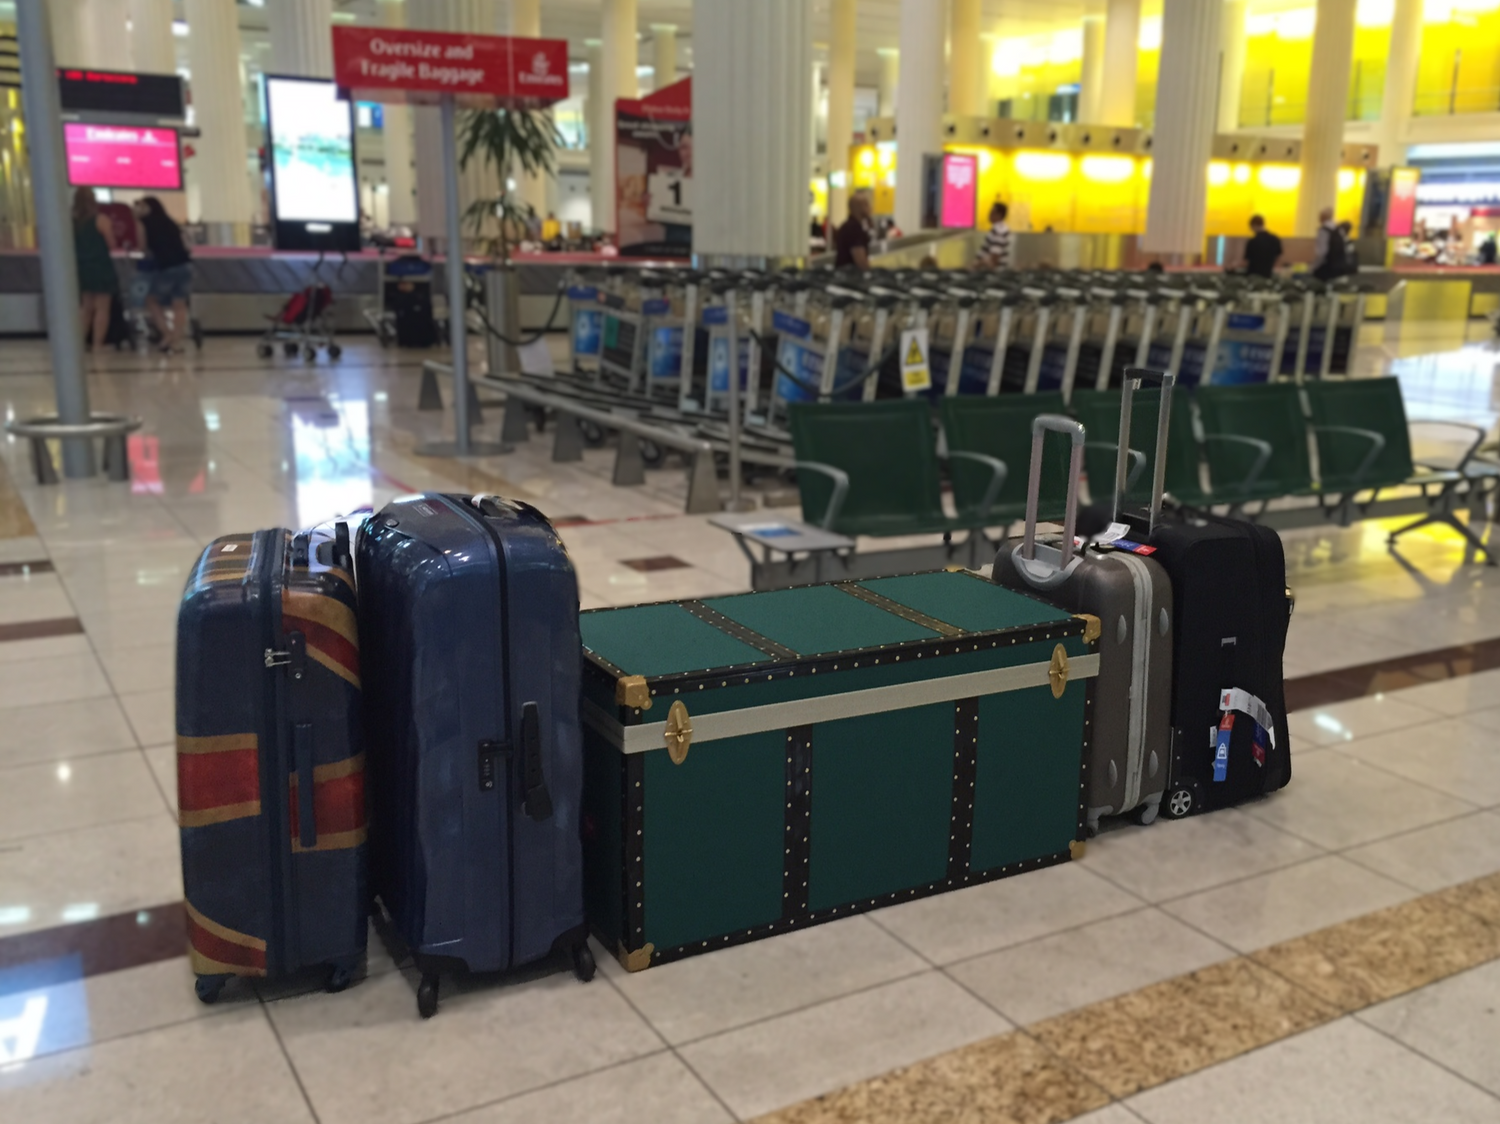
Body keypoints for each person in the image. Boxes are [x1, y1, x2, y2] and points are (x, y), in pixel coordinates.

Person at [133, 196, 193, 353]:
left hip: (167, 266)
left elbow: (142, 247)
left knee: (151, 300)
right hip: (185, 264)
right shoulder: (170, 222)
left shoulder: (143, 223)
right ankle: (177, 341)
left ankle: (167, 334)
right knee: (179, 304)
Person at [72, 187, 118, 352]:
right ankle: (98, 344)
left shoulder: (72, 221)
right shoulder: (101, 219)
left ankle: (79, 343)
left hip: (82, 267)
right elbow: (111, 244)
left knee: (86, 307)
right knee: (102, 308)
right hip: (101, 267)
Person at [833, 191, 873, 269]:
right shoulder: (854, 229)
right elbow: (861, 262)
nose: (870, 207)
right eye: (866, 204)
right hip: (850, 275)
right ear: (859, 207)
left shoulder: (848, 226)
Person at [1312, 206, 1347, 282]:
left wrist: (1313, 267)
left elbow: (1322, 252)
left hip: (1326, 268)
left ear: (1322, 217)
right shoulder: (1339, 230)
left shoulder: (1323, 231)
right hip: (1339, 267)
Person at [1243, 214, 1282, 279]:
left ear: (1254, 225)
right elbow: (1279, 257)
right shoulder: (1275, 239)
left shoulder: (1253, 241)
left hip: (1253, 275)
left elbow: (1246, 261)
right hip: (1268, 275)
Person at [977, 201, 1013, 269]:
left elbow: (994, 258)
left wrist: (978, 264)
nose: (989, 214)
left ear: (999, 215)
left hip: (993, 272)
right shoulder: (998, 229)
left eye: (992, 212)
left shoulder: (999, 231)